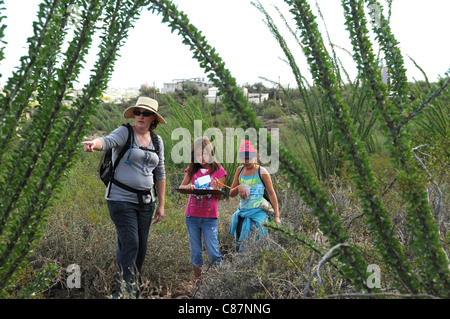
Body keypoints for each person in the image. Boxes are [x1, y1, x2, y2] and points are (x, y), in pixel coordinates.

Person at [82, 96, 166, 298]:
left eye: (145, 113)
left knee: (141, 247)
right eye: (138, 112)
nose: (140, 116)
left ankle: (132, 290)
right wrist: (94, 143)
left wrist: (161, 204)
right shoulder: (125, 132)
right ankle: (124, 292)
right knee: (131, 243)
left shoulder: (157, 140)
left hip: (147, 203)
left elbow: (160, 171)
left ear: (152, 118)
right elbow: (107, 141)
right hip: (120, 199)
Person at [179, 137, 227, 287]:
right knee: (196, 252)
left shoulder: (219, 171)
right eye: (198, 155)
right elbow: (182, 187)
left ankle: (222, 283)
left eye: (205, 154)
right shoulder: (192, 169)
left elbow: (220, 196)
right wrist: (189, 187)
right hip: (192, 216)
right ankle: (198, 285)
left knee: (213, 252)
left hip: (209, 217)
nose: (202, 158)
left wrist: (216, 189)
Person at [229, 140, 280, 252]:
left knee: (250, 248)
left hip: (257, 215)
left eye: (249, 157)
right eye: (243, 158)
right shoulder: (240, 170)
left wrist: (276, 216)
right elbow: (231, 193)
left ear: (256, 156)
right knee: (240, 246)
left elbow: (271, 193)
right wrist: (239, 187)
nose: (246, 161)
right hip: (242, 214)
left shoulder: (262, 172)